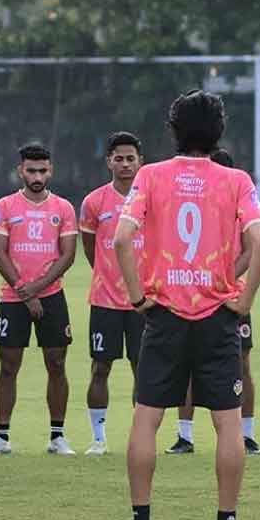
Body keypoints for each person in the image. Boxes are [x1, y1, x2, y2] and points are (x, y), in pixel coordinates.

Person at [114, 90, 260, 520]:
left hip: (164, 314)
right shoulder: (236, 180)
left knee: (147, 418)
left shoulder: (151, 175)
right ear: (219, 131)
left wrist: (137, 296)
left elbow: (121, 239)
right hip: (217, 316)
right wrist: (244, 301)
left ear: (173, 130)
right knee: (228, 423)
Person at [0, 143, 78, 456]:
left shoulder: (63, 208)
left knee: (57, 364)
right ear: (20, 171)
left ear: (51, 171)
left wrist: (36, 289)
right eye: (31, 170)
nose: (37, 176)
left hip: (52, 296)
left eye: (43, 170)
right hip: (14, 298)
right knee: (8, 366)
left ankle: (57, 436)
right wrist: (24, 290)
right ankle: (1, 437)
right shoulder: (4, 206)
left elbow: (67, 256)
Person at [168, 148, 260, 456]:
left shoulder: (240, 206)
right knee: (186, 364)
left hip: (230, 297)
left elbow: (252, 250)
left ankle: (246, 435)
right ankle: (185, 436)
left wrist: (220, 280)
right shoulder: (188, 204)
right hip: (190, 296)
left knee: (241, 363)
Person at [79, 131, 143, 456]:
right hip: (105, 301)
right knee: (100, 367)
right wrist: (108, 274)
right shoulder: (94, 202)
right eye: (119, 158)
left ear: (140, 162)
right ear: (109, 162)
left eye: (131, 158)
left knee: (142, 369)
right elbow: (91, 249)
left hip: (143, 302)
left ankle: (139, 437)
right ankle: (98, 438)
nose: (125, 164)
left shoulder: (150, 199)